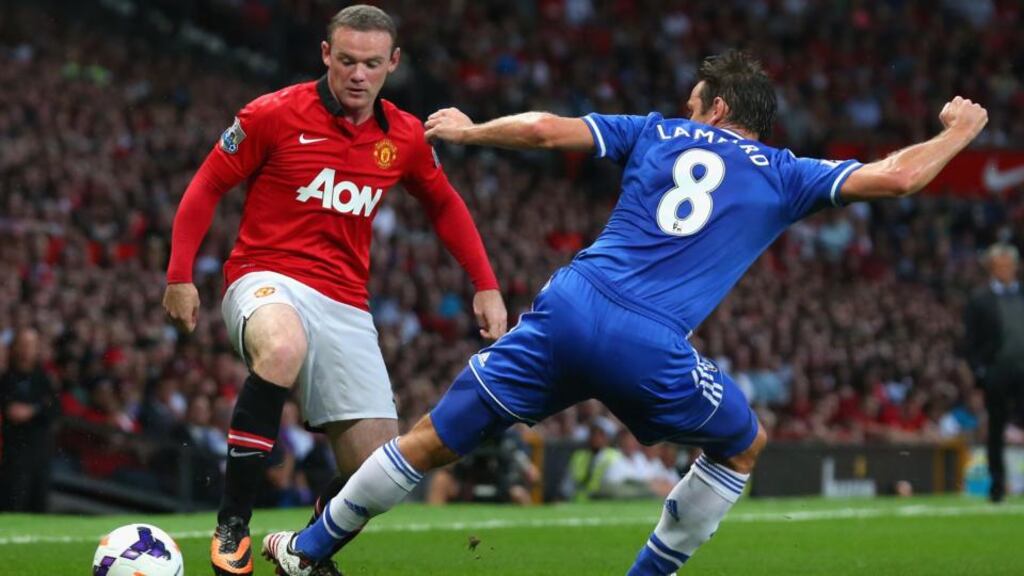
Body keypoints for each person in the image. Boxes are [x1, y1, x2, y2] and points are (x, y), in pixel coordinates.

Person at [262, 51, 988, 575]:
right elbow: (898, 177)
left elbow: (547, 130)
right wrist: (958, 130)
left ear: (718, 109)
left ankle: (307, 549)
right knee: (740, 446)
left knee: (431, 440)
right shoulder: (790, 174)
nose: (685, 111)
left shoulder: (654, 131)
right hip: (648, 340)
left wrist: (473, 131)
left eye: (694, 100)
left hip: (569, 305)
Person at [161, 5, 507, 575]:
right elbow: (206, 186)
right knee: (284, 346)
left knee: (381, 473)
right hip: (263, 277)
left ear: (393, 63)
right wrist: (179, 275)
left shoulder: (404, 136)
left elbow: (444, 203)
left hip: (345, 301)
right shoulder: (271, 114)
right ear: (326, 55)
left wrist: (486, 285)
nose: (357, 74)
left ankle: (304, 551)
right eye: (346, 60)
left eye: (372, 63)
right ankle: (232, 525)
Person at [963, 243, 1024, 503]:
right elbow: (971, 342)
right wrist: (980, 373)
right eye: (999, 265)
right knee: (996, 429)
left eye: (1008, 265)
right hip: (997, 371)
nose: (1005, 270)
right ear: (991, 268)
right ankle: (997, 486)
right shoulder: (980, 299)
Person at [0, 328, 60, 512]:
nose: (27, 350)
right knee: (12, 503)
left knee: (38, 503)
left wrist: (33, 410)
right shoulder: (5, 378)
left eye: (32, 345)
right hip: (13, 452)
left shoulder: (43, 379)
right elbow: (13, 411)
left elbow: (55, 409)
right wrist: (40, 407)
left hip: (40, 451)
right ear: (15, 347)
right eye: (23, 344)